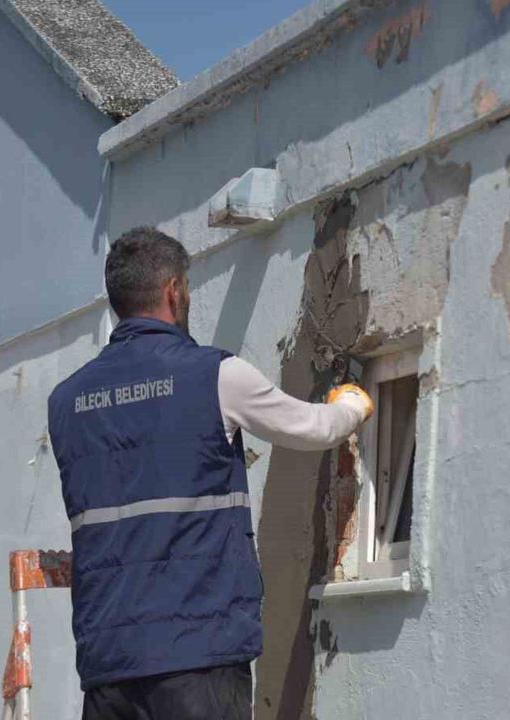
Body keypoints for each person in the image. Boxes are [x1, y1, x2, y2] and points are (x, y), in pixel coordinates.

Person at [47, 226, 374, 720]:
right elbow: (311, 427)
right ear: (174, 290)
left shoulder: (66, 402)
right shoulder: (214, 376)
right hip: (197, 656)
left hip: (108, 664)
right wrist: (351, 405)